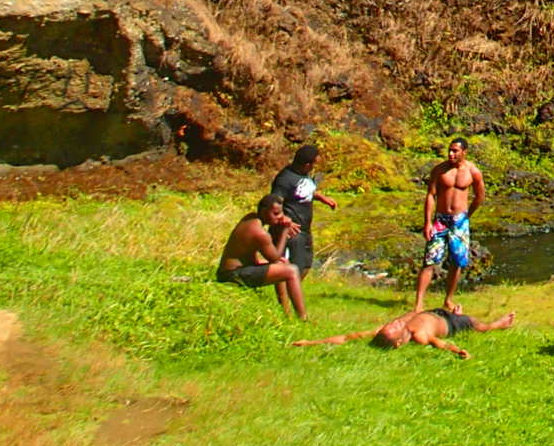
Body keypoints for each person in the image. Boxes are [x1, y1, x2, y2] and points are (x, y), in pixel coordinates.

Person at [413, 136, 485, 313]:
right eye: (450, 150)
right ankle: (419, 304)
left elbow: (480, 196)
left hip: (459, 221)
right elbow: (431, 195)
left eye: (455, 151)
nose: (451, 154)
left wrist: (467, 216)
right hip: (440, 220)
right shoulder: (439, 170)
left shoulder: (473, 172)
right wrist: (427, 222)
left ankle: (448, 300)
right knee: (429, 260)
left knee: (457, 262)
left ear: (464, 152)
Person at [293, 303, 515, 360]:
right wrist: (458, 351)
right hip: (450, 324)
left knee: (448, 310)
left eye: (392, 324)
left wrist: (312, 342)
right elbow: (441, 344)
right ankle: (499, 324)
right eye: (395, 328)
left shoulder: (386, 329)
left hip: (434, 312)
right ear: (400, 341)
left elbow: (346, 337)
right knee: (479, 325)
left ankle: (454, 310)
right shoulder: (420, 336)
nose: (395, 323)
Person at [215, 194, 307, 319]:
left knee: (283, 265)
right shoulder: (260, 233)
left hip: (230, 270)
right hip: (233, 275)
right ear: (264, 212)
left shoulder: (250, 218)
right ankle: (303, 318)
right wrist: (285, 230)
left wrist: (279, 218)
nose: (280, 217)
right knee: (292, 271)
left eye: (281, 213)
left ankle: (286, 312)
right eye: (275, 214)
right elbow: (275, 257)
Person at [270, 143, 338, 283]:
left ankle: (291, 294)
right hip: (292, 230)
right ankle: (285, 301)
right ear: (307, 164)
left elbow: (302, 191)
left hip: (305, 228)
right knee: (291, 268)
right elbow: (273, 203)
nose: (315, 167)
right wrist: (285, 222)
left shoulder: (304, 175)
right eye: (314, 164)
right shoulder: (284, 179)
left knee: (306, 266)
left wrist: (322, 198)